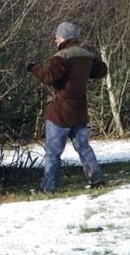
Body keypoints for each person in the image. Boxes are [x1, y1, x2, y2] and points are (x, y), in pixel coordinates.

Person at [26, 22, 107, 193]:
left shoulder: (61, 57)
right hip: (79, 112)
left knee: (53, 153)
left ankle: (48, 187)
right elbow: (101, 71)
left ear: (62, 37)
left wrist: (34, 68)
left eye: (56, 37)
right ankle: (97, 179)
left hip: (60, 114)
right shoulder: (87, 55)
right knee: (84, 148)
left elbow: (48, 77)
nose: (55, 41)